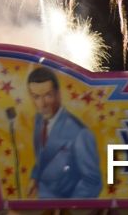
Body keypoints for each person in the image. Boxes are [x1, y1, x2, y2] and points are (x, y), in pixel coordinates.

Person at [27, 66, 101, 200]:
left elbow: (92, 181)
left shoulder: (79, 133)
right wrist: (35, 177)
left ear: (58, 94)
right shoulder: (39, 121)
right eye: (36, 97)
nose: (42, 104)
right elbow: (44, 157)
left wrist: (68, 208)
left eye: (48, 95)